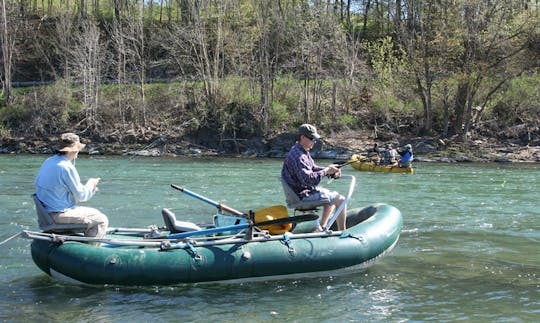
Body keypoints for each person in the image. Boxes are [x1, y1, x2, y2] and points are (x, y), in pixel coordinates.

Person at [34, 133, 108, 244]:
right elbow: (82, 196)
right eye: (77, 149)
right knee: (101, 220)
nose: (78, 152)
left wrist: (88, 188)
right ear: (71, 150)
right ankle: (90, 252)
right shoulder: (66, 167)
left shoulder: (48, 161)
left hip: (46, 215)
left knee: (94, 212)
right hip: (58, 215)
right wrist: (91, 185)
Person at [281, 124, 347, 231]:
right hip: (302, 196)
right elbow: (309, 180)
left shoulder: (300, 151)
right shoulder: (299, 156)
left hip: (299, 193)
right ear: (302, 137)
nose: (314, 141)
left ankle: (322, 227)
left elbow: (313, 168)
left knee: (330, 197)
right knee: (341, 200)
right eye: (312, 138)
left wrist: (330, 170)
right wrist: (326, 171)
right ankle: (343, 233)